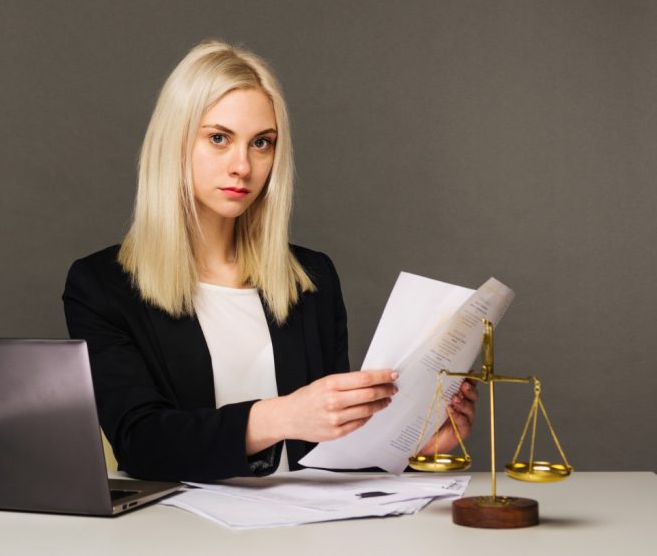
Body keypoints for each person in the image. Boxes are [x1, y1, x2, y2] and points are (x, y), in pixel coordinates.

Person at [63, 40, 476, 483]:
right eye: (218, 138)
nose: (243, 165)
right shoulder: (102, 285)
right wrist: (283, 416)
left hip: (303, 530)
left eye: (261, 143)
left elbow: (326, 450)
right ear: (174, 142)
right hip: (177, 531)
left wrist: (410, 447)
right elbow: (142, 443)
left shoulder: (312, 279)